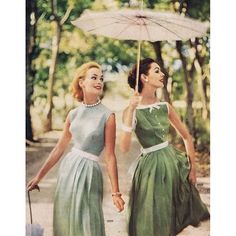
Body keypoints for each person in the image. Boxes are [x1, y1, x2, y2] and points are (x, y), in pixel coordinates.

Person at [27, 61, 125, 236]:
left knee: (88, 221)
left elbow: (110, 156)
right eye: (94, 77)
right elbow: (59, 148)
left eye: (101, 78)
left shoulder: (108, 115)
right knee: (67, 220)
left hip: (90, 172)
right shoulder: (73, 114)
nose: (99, 81)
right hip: (68, 169)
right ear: (82, 82)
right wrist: (39, 177)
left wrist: (116, 192)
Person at [120, 58, 210, 236]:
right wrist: (130, 111)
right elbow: (123, 147)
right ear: (144, 77)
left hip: (172, 164)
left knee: (171, 214)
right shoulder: (132, 110)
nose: (162, 74)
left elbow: (186, 136)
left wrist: (193, 169)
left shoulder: (165, 107)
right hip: (150, 169)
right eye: (156, 71)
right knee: (150, 216)